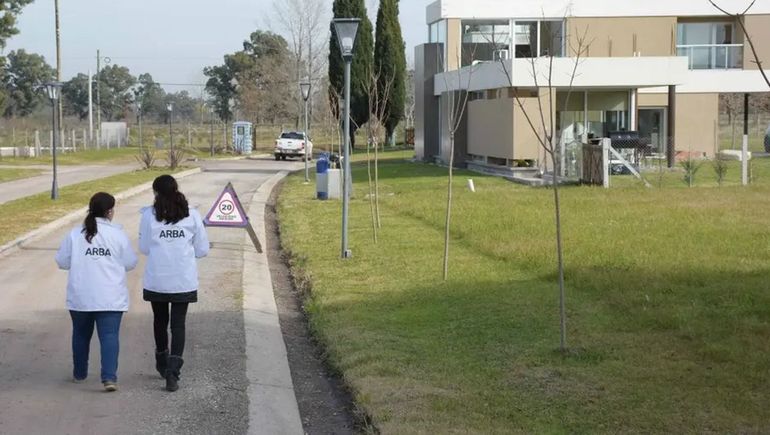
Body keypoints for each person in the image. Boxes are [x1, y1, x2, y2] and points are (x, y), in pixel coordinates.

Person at [55, 192, 138, 392]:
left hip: (81, 296)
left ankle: (80, 373)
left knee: (81, 335)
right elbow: (130, 263)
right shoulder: (117, 234)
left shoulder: (75, 234)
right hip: (110, 297)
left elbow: (62, 261)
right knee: (109, 336)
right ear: (110, 211)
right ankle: (109, 378)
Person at [139, 174, 209, 392]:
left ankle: (161, 360)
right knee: (178, 325)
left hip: (157, 279)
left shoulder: (149, 216)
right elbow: (202, 249)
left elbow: (144, 248)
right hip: (183, 280)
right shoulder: (192, 215)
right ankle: (173, 372)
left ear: (155, 192)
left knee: (160, 321)